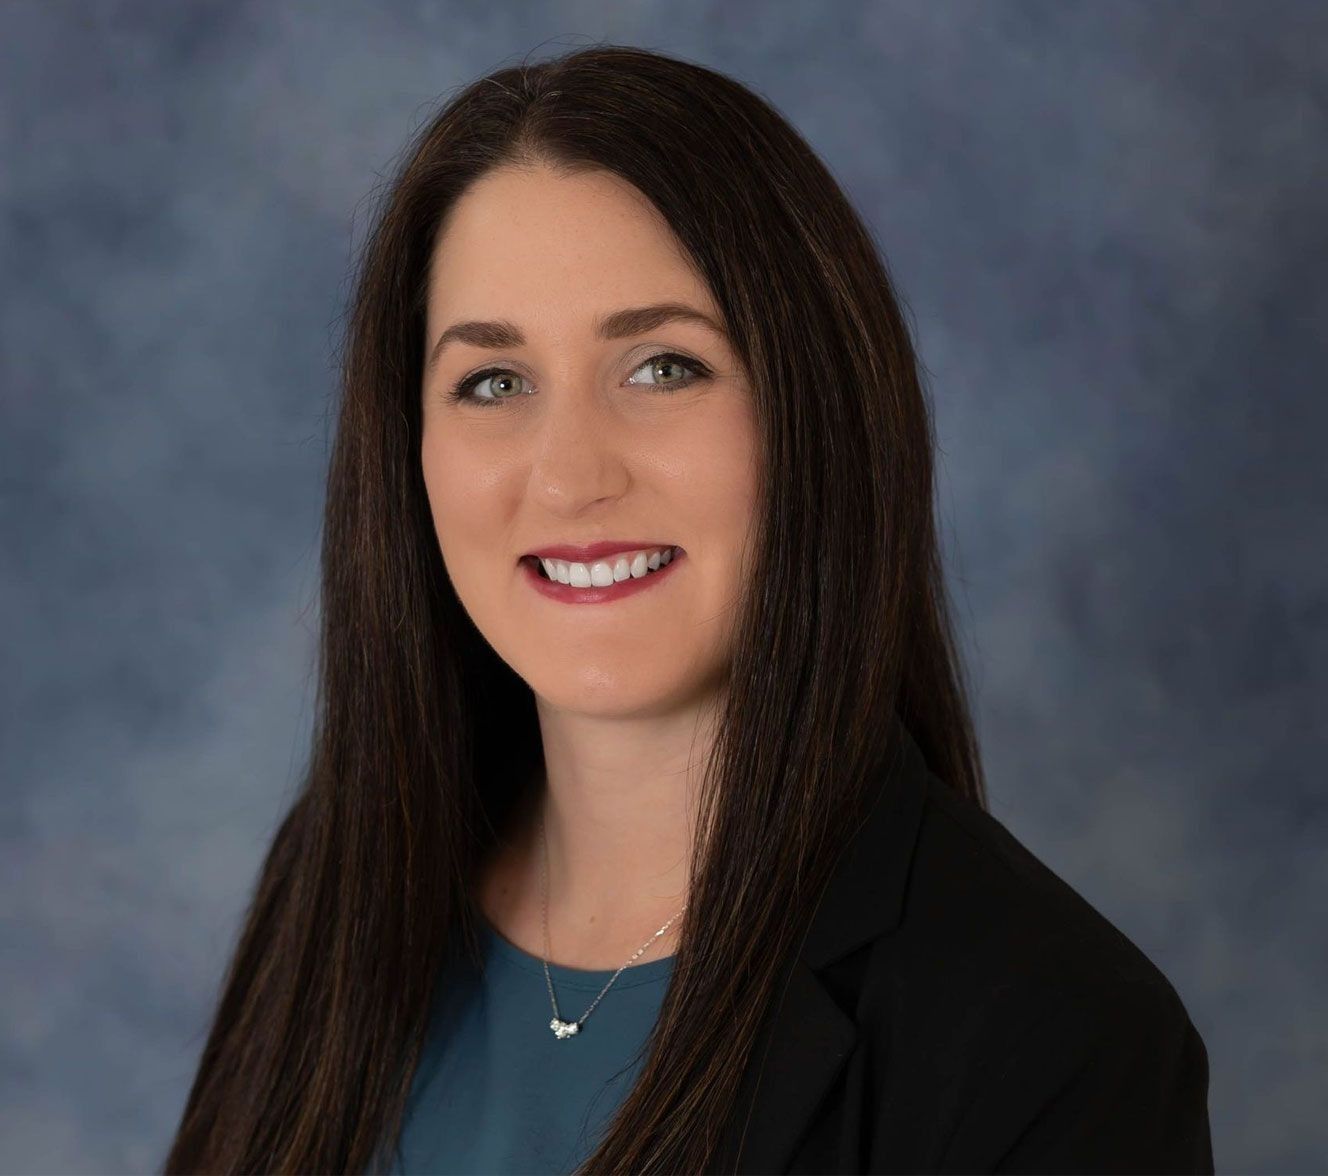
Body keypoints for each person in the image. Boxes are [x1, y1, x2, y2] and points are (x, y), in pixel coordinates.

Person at [163, 43, 1213, 1175]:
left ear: (818, 410)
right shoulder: (338, 878)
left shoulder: (1049, 1037)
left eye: (660, 367)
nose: (567, 478)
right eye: (493, 382)